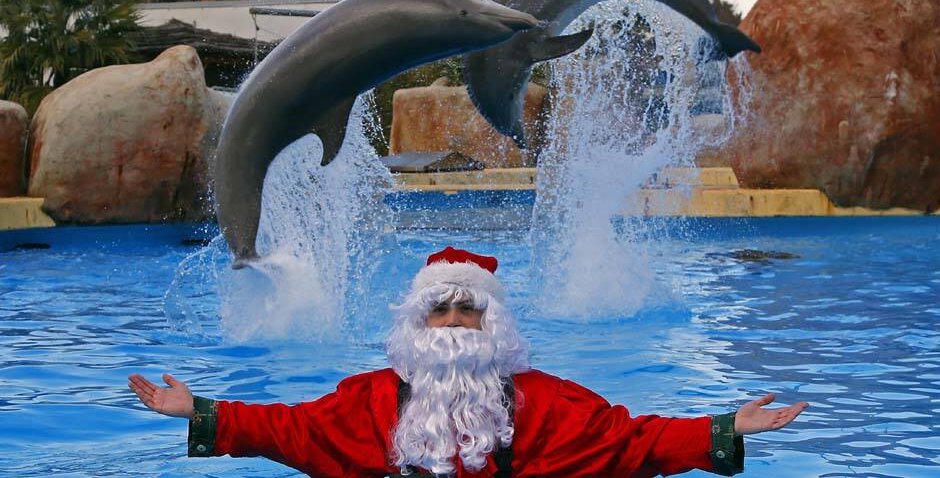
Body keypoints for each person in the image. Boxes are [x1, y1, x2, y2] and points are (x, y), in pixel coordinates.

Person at [129, 246, 807, 477]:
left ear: (493, 323)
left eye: (468, 310)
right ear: (418, 324)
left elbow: (630, 445)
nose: (453, 322)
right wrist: (203, 413)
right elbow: (293, 431)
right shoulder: (367, 401)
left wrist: (725, 428)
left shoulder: (548, 402)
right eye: (440, 311)